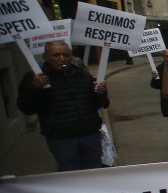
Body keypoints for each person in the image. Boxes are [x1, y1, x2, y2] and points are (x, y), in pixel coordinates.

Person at [17, 41, 110, 171]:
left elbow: (102, 103)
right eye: (56, 55)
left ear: (71, 57)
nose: (61, 58)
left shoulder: (83, 75)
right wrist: (34, 88)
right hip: (62, 140)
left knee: (93, 173)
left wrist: (101, 92)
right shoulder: (36, 78)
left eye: (65, 55)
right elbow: (26, 108)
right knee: (70, 176)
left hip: (90, 135)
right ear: (46, 57)